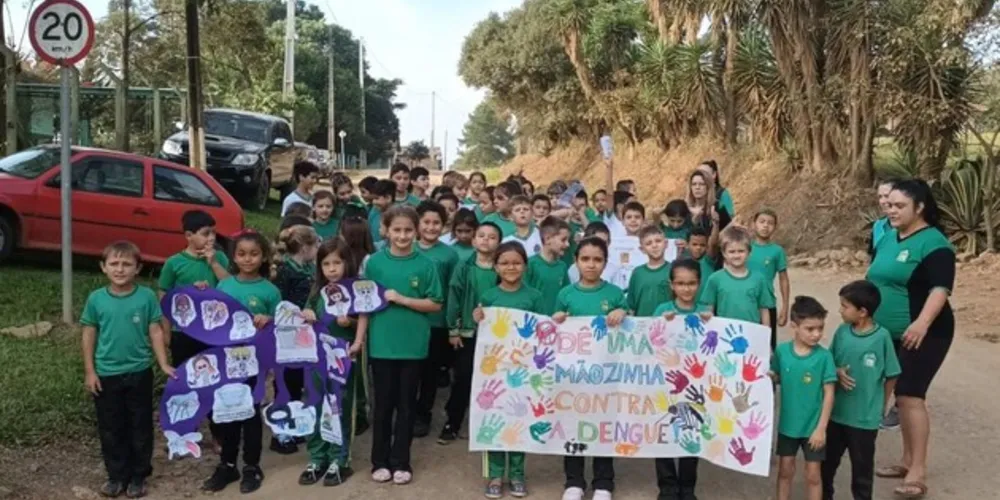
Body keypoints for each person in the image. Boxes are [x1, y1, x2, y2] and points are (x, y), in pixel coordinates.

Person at [866, 179, 955, 499]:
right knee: (900, 395)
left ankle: (917, 469)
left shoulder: (934, 244)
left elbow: (940, 289)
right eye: (889, 205)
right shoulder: (888, 236)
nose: (891, 210)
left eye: (899, 206)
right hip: (888, 333)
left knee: (910, 394)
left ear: (919, 207)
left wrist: (921, 323)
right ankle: (905, 460)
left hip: (925, 332)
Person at [83, 241, 174, 499]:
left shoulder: (146, 297)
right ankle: (116, 476)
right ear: (103, 267)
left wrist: (163, 362)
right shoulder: (96, 299)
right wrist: (90, 371)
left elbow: (155, 331)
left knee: (140, 425)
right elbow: (89, 334)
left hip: (139, 371)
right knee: (111, 427)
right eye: (114, 263)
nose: (120, 269)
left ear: (138, 268)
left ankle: (138, 476)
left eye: (126, 264)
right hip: (106, 373)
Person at [365, 206, 444, 485]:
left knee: (407, 405)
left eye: (408, 230)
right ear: (386, 230)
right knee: (383, 405)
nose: (402, 235)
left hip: (413, 345)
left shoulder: (426, 265)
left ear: (416, 231)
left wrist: (403, 299)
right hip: (381, 344)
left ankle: (401, 461)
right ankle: (379, 460)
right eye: (396, 230)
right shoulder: (374, 263)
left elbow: (435, 303)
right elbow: (365, 300)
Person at [205, 231, 281, 494]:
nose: (248, 259)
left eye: (254, 254)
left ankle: (251, 465)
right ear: (233, 258)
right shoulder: (224, 286)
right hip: (225, 359)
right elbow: (211, 320)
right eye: (241, 254)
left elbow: (280, 327)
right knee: (227, 410)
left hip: (255, 363)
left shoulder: (270, 291)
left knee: (250, 411)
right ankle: (227, 464)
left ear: (264, 257)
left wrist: (268, 320)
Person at [553, 237, 627, 500]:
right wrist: (558, 319)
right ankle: (574, 481)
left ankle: (603, 482)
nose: (591, 264)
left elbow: (631, 326)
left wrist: (622, 313)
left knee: (603, 426)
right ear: (576, 261)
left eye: (597, 259)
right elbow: (554, 329)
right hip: (573, 375)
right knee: (572, 425)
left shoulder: (615, 294)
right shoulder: (565, 294)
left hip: (606, 374)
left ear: (605, 263)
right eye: (585, 259)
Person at [474, 242, 544, 499]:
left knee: (518, 419)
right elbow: (483, 333)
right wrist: (477, 316)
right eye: (504, 263)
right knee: (493, 419)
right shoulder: (489, 296)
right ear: (495, 266)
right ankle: (494, 474)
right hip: (494, 372)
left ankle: (517, 474)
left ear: (525, 266)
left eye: (516, 263)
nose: (511, 267)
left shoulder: (534, 296)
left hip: (523, 370)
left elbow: (543, 330)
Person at [298, 238, 368, 487]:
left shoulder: (355, 290)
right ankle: (317, 457)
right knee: (315, 405)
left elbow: (365, 319)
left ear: (347, 262)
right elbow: (305, 316)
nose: (332, 269)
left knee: (340, 407)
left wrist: (353, 329)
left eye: (337, 263)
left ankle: (340, 458)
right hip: (317, 358)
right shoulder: (317, 291)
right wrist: (306, 315)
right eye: (326, 264)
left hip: (343, 358)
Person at [822, 280, 900, 500]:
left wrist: (881, 405)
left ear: (863, 312)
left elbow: (892, 373)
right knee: (826, 466)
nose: (840, 310)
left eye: (845, 306)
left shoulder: (881, 337)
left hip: (864, 419)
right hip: (836, 414)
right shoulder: (842, 332)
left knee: (862, 471)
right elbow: (828, 362)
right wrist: (837, 371)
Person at [652, 258, 709, 500]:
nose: (686, 289)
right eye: (681, 283)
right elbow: (649, 344)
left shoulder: (707, 312)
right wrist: (660, 325)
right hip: (665, 384)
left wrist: (711, 324)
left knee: (691, 431)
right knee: (663, 430)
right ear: (672, 285)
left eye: (692, 283)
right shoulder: (662, 310)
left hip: (695, 388)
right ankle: (667, 486)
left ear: (699, 283)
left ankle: (687, 487)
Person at [441, 222, 503, 445]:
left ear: (499, 242)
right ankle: (452, 422)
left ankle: (490, 425)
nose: (486, 240)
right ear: (474, 240)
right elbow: (454, 297)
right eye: (482, 235)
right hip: (468, 332)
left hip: (497, 335)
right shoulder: (464, 267)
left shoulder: (503, 268)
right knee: (464, 378)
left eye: (492, 237)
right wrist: (453, 329)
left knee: (494, 381)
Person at [770, 296, 837, 500]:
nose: (817, 334)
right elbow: (777, 376)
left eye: (820, 328)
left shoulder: (824, 357)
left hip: (813, 428)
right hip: (787, 426)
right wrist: (767, 376)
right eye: (810, 329)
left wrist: (821, 429)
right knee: (785, 471)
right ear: (794, 326)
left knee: (813, 475)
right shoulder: (782, 352)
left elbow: (829, 393)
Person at [269, 226, 320, 455]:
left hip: (303, 336)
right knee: (284, 383)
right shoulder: (285, 272)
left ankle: (294, 423)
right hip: (286, 335)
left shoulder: (308, 268)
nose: (317, 249)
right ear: (304, 247)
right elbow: (279, 303)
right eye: (315, 245)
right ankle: (280, 433)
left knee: (297, 381)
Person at [159, 211, 230, 364]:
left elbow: (230, 286)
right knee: (184, 367)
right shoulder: (174, 263)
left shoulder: (220, 258)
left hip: (213, 327)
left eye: (213, 233)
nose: (211, 238)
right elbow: (164, 296)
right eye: (206, 234)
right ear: (189, 235)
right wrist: (166, 331)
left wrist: (214, 263)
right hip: (183, 329)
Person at [414, 201, 459, 438]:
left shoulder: (449, 254)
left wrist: (452, 323)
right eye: (426, 222)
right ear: (417, 223)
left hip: (437, 322)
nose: (431, 227)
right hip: (410, 321)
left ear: (443, 226)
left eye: (436, 223)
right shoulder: (407, 248)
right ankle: (406, 411)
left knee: (429, 372)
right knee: (410, 372)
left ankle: (423, 414)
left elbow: (453, 290)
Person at [699, 226, 772, 326]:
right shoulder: (715, 279)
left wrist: (766, 332)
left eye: (741, 251)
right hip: (725, 331)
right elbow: (709, 308)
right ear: (724, 253)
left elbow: (764, 309)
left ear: (749, 252)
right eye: (732, 251)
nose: (737, 255)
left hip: (752, 331)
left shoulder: (759, 279)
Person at [748, 209, 790, 350]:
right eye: (762, 222)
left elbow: (783, 279)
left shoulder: (777, 251)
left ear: (775, 227)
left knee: (767, 347)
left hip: (767, 303)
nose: (765, 226)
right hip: (745, 302)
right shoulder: (744, 248)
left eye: (770, 223)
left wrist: (785, 307)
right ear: (754, 224)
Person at [526, 216, 572, 314]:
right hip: (536, 319)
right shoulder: (530, 264)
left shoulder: (562, 266)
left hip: (557, 320)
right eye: (563, 240)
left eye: (568, 240)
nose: (568, 244)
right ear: (547, 239)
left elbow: (566, 295)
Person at [627, 225, 672, 317]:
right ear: (642, 249)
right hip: (642, 323)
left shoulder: (674, 270)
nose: (654, 246)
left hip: (668, 322)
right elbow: (631, 305)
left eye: (658, 241)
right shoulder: (637, 273)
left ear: (666, 244)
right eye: (648, 243)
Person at [698, 160, 734, 229]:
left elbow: (728, 222)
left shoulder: (722, 194)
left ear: (714, 174)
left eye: (705, 173)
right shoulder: (696, 196)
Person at [684, 227, 716, 304]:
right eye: (694, 244)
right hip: (685, 307)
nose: (698, 247)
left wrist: (716, 224)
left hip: (706, 308)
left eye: (702, 245)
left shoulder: (708, 261)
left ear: (707, 246)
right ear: (687, 245)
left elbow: (713, 244)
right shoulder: (682, 262)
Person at [685, 169, 720, 234]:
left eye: (702, 184)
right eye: (694, 184)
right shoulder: (684, 208)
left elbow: (728, 232)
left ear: (708, 187)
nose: (697, 187)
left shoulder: (717, 206)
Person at [869, 178, 896, 256]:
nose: (882, 201)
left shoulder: (913, 226)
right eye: (880, 197)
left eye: (887, 196)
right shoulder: (878, 225)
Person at [368, 180, 395, 246]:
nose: (373, 202)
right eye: (373, 199)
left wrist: (386, 235)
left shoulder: (398, 215)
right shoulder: (374, 210)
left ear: (388, 198)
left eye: (376, 198)